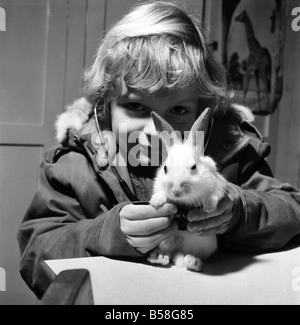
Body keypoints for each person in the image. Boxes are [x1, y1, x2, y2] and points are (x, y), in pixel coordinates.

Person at [18, 0, 300, 299]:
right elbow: (37, 251)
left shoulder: (231, 152)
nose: (154, 130)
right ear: (107, 103)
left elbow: (292, 210)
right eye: (135, 106)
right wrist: (104, 235)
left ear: (201, 110)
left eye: (178, 109)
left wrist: (241, 211)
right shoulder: (73, 163)